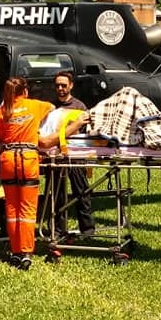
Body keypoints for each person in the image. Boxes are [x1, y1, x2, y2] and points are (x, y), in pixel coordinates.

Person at [0, 77, 53, 270]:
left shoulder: (4, 110)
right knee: (28, 209)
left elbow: (0, 134)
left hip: (9, 159)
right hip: (27, 158)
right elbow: (53, 109)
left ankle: (15, 250)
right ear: (25, 91)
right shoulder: (35, 105)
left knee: (11, 208)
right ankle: (26, 251)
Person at [42, 70, 95, 239]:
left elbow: (88, 131)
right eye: (57, 85)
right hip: (54, 156)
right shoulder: (49, 106)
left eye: (64, 85)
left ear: (71, 86)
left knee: (82, 192)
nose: (60, 88)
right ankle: (58, 229)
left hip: (76, 155)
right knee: (55, 195)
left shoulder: (79, 106)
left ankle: (87, 230)